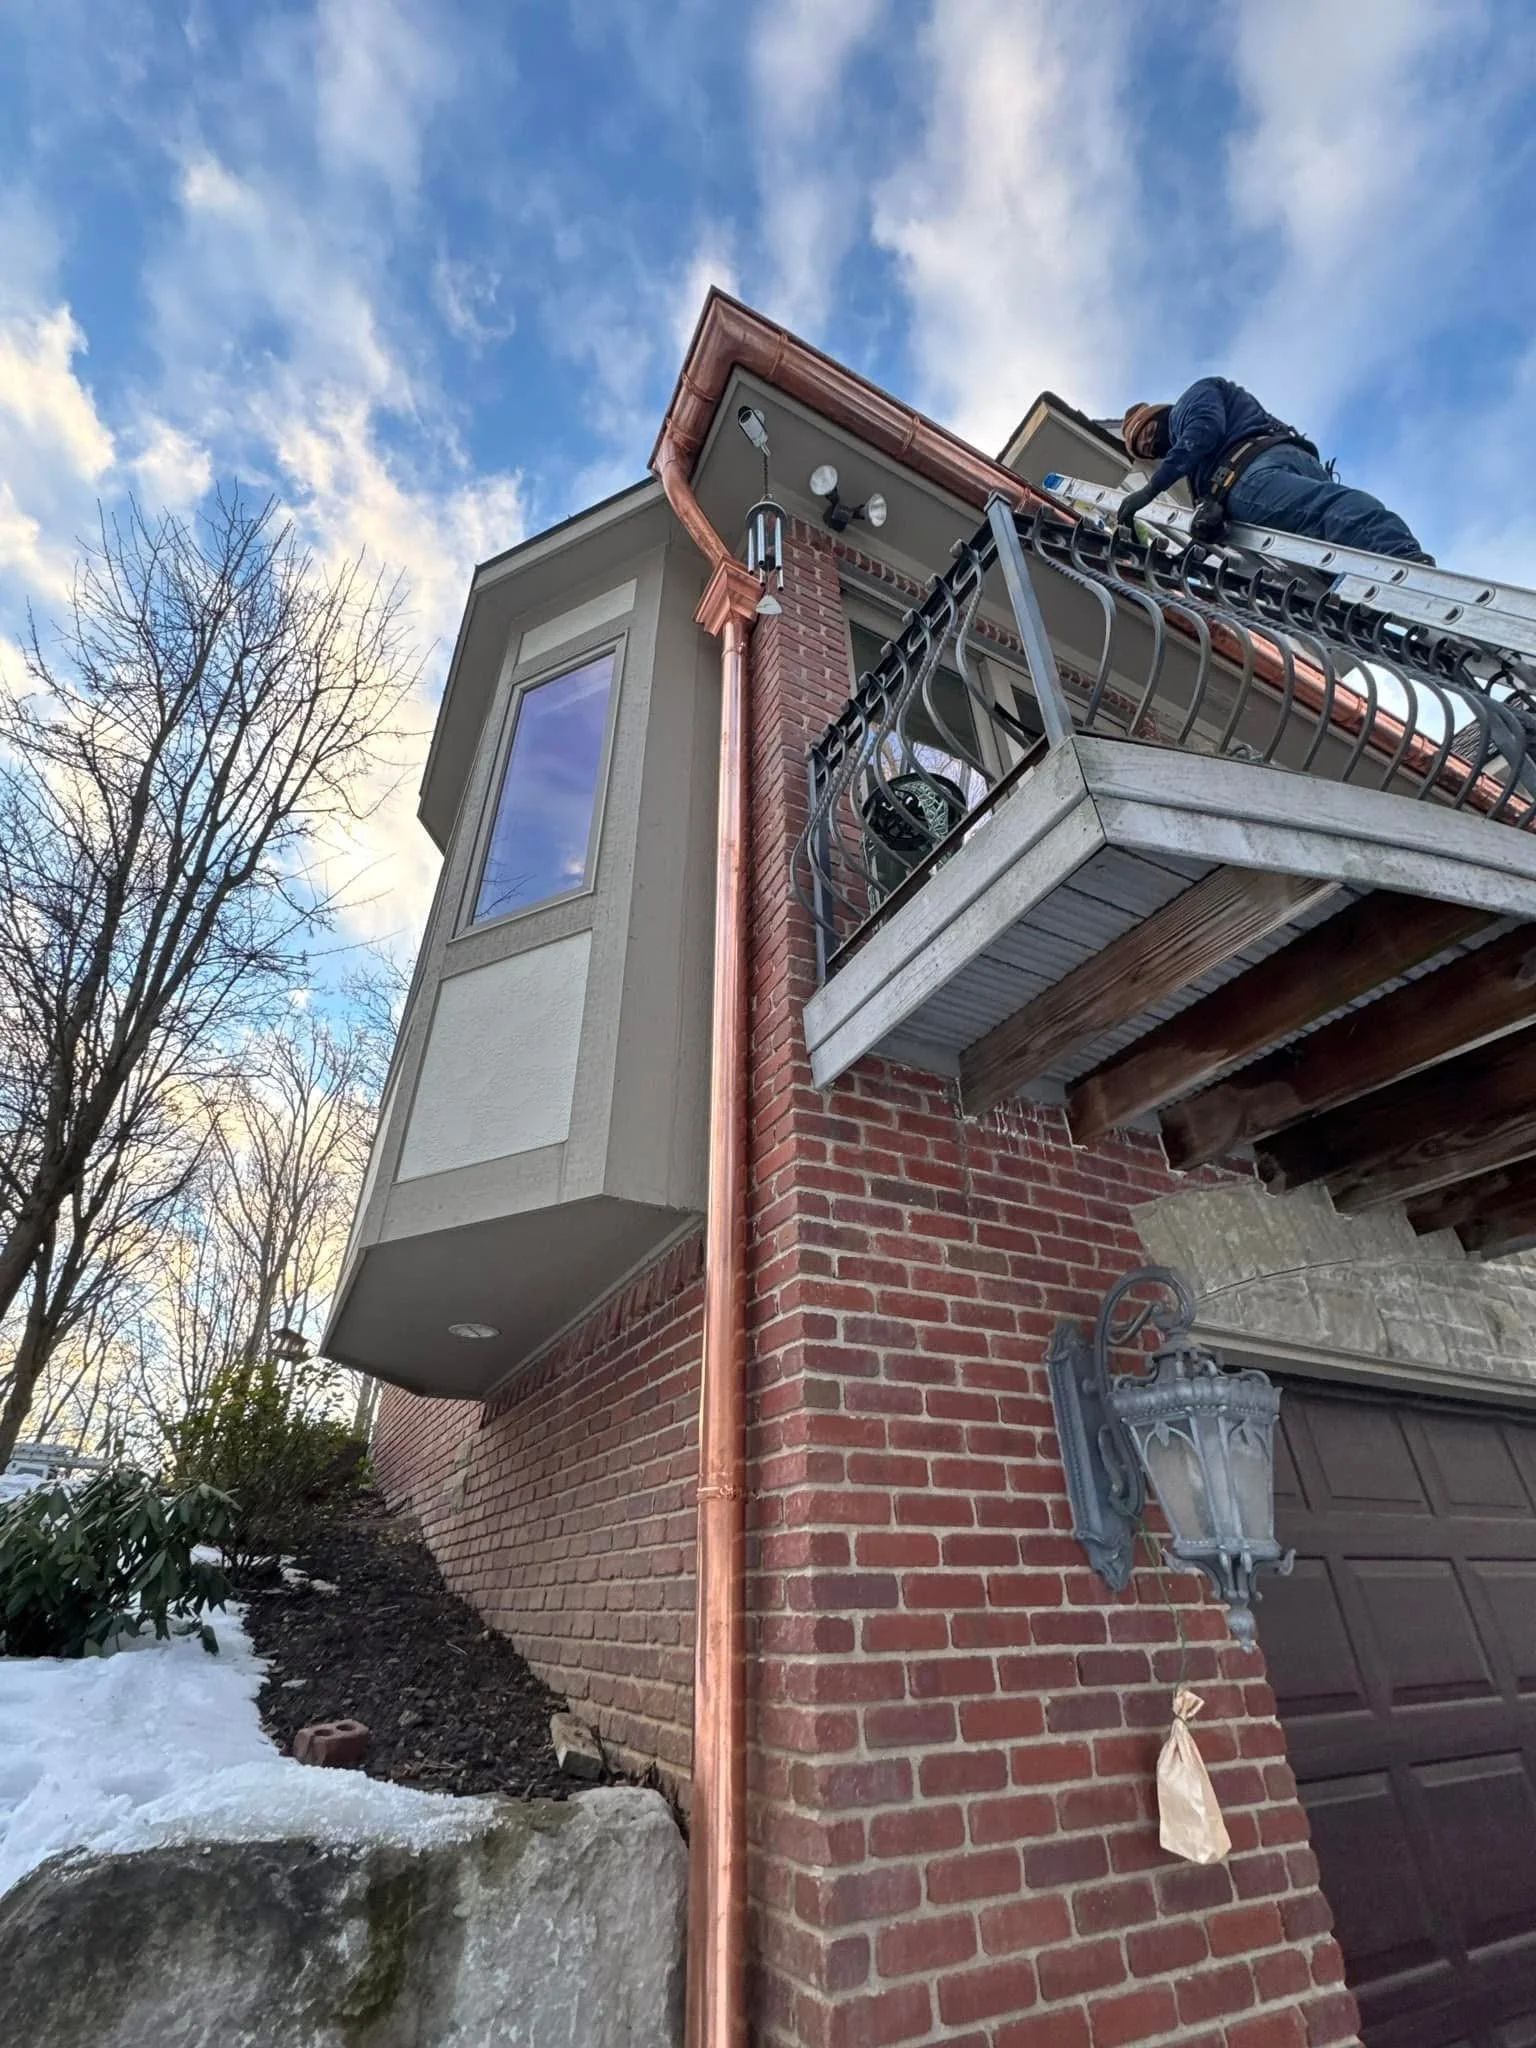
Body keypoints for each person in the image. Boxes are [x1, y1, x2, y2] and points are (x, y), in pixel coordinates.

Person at [1118, 379, 1431, 562]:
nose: (1148, 444)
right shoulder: (1196, 460)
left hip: (1249, 474)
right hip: (1287, 458)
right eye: (1142, 449)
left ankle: (1408, 564)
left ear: (1158, 415)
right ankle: (1378, 585)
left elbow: (1204, 431)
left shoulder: (1190, 404)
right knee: (1329, 541)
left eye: (1145, 433)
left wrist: (1149, 491)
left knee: (1327, 512)